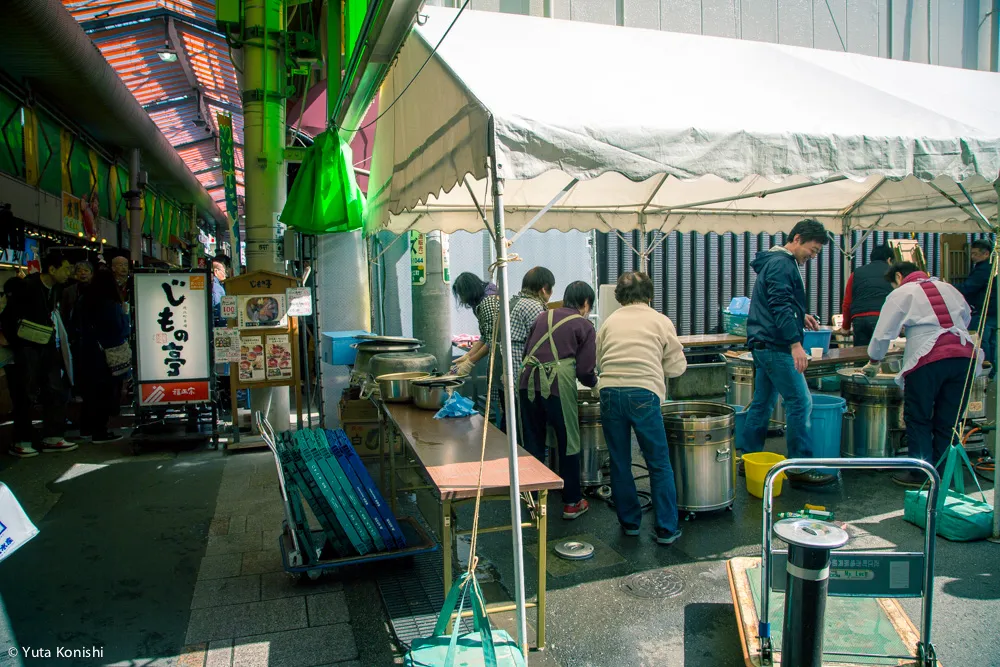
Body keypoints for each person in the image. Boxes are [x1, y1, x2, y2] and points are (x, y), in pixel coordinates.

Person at [864, 261, 983, 487]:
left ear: (899, 276)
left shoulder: (901, 293)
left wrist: (874, 360)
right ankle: (944, 472)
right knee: (949, 419)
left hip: (928, 357)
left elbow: (883, 334)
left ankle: (921, 473)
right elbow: (966, 318)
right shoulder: (949, 288)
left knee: (918, 416)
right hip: (964, 356)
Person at [739, 219, 834, 486]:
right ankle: (800, 467)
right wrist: (795, 344)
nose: (812, 256)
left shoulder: (776, 261)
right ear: (797, 239)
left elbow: (777, 302)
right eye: (812, 250)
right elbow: (779, 304)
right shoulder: (782, 264)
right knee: (801, 402)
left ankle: (749, 458)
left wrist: (799, 314)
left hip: (763, 343)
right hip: (776, 345)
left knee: (762, 403)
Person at [597, 272, 687, 545]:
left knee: (620, 461)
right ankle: (666, 529)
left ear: (620, 297)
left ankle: (630, 523)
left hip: (610, 392)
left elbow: (600, 360)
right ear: (650, 295)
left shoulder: (609, 322)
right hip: (644, 393)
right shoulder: (660, 320)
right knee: (658, 462)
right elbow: (676, 366)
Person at [520, 281, 597, 520]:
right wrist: (595, 385)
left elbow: (526, 353)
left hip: (526, 382)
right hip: (555, 385)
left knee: (533, 441)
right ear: (585, 303)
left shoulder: (543, 316)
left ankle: (532, 501)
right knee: (568, 441)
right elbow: (585, 371)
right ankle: (572, 502)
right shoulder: (584, 325)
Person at [0, 250, 78, 457]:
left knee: (55, 389)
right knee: (26, 393)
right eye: (66, 268)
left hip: (47, 345)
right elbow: (7, 317)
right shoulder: (27, 287)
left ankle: (52, 436)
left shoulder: (56, 289)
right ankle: (22, 439)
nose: (69, 273)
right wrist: (17, 343)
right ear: (51, 269)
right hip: (27, 347)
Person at [72, 267, 129, 443]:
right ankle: (100, 432)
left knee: (90, 394)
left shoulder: (84, 300)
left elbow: (74, 324)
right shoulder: (110, 304)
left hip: (86, 352)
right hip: (105, 355)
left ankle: (86, 429)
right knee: (104, 393)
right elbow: (120, 329)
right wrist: (125, 315)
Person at [451, 272, 503, 424]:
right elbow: (485, 335)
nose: (461, 299)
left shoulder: (488, 303)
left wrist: (470, 362)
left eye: (461, 294)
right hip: (498, 356)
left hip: (503, 358)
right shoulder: (483, 301)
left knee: (507, 405)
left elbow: (493, 340)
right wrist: (467, 356)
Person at [839, 244, 894, 347]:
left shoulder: (857, 273)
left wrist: (845, 326)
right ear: (889, 259)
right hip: (881, 319)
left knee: (860, 356)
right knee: (880, 356)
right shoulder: (893, 274)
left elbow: (847, 302)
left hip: (859, 320)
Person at [956, 239, 996, 375]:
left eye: (975, 254)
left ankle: (986, 372)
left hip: (985, 311)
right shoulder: (993, 266)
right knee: (992, 342)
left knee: (982, 341)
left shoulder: (983, 269)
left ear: (986, 254)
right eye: (971, 254)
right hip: (994, 310)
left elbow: (968, 288)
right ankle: (993, 372)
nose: (972, 257)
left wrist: (949, 288)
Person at [509, 267, 555, 379]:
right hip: (518, 370)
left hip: (503, 368)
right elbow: (541, 344)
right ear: (544, 289)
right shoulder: (534, 306)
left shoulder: (513, 301)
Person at [212, 256, 228, 327]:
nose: (226, 274)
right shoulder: (216, 288)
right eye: (224, 271)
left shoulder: (216, 285)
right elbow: (218, 309)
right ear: (216, 271)